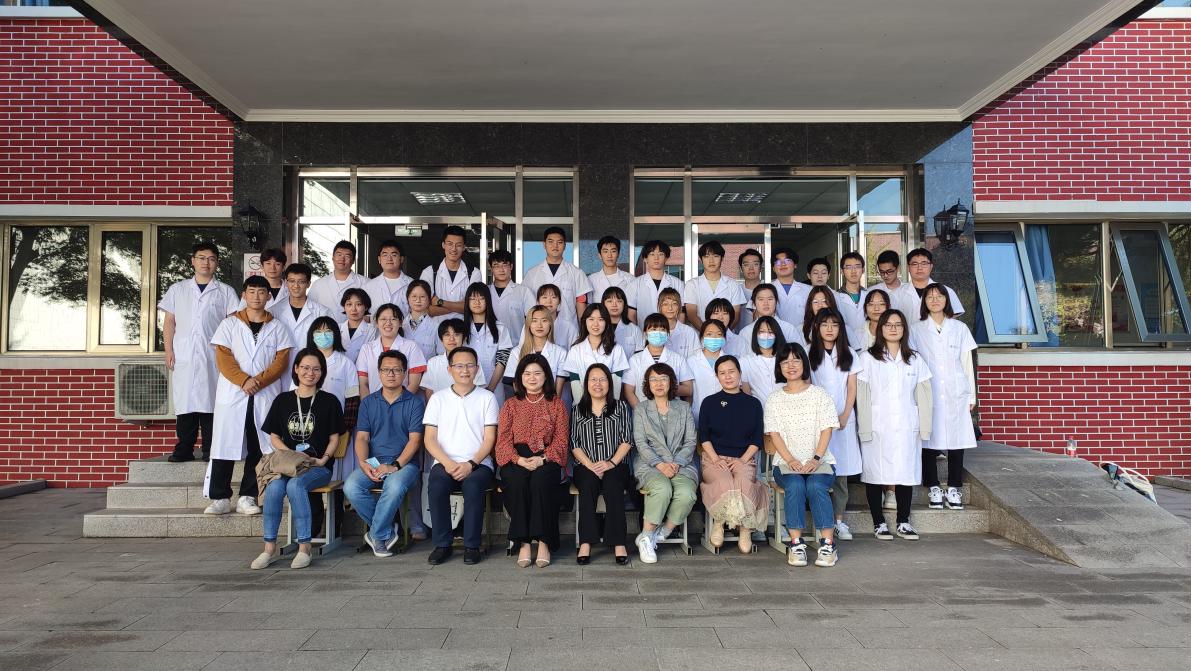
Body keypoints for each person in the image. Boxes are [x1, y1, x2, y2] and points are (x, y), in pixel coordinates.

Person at [203, 275, 292, 516]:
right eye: (251, 292)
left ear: (269, 296)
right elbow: (223, 358)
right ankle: (220, 498)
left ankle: (248, 496)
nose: (256, 296)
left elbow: (281, 361)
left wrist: (258, 381)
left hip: (263, 393)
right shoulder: (229, 324)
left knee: (258, 445)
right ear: (243, 295)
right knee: (224, 444)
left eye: (261, 292)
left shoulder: (277, 326)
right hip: (234, 392)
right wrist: (244, 380)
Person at [251, 348, 343, 570]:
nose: (310, 373)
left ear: (322, 372)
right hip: (289, 465)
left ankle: (304, 547)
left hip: (317, 466)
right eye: (305, 368)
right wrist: (292, 455)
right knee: (274, 488)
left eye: (316, 369)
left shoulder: (329, 401)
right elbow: (274, 437)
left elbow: (335, 438)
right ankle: (269, 548)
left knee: (295, 486)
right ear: (296, 369)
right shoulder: (283, 400)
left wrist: (323, 459)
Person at [857, 309, 933, 541]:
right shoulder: (868, 358)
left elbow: (924, 394)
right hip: (877, 426)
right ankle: (878, 522)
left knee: (905, 472)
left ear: (904, 329)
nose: (893, 328)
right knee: (875, 474)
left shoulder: (915, 359)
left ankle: (903, 521)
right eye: (888, 324)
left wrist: (925, 426)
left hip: (906, 425)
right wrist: (865, 427)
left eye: (898, 324)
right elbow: (862, 395)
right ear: (880, 329)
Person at [160, 242, 239, 462]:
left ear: (217, 263)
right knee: (185, 403)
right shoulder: (177, 289)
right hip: (184, 355)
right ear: (193, 261)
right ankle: (184, 448)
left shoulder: (225, 291)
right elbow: (169, 322)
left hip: (213, 356)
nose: (206, 263)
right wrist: (168, 350)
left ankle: (209, 449)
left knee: (211, 403)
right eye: (201, 258)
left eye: (211, 259)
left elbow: (233, 325)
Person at [344, 350, 426, 558]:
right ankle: (386, 530)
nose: (391, 374)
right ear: (379, 373)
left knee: (394, 485)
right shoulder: (368, 403)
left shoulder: (415, 402)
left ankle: (378, 535)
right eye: (386, 370)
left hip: (404, 464)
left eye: (396, 370)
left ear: (405, 373)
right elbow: (362, 438)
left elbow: (415, 440)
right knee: (351, 487)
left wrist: (395, 466)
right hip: (374, 461)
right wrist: (364, 463)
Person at [765, 343, 841, 567]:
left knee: (816, 486)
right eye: (785, 361)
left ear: (804, 364)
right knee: (796, 485)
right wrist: (790, 459)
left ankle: (828, 545)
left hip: (820, 462)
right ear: (779, 367)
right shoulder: (774, 399)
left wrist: (815, 459)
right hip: (785, 464)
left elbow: (827, 429)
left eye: (795, 360)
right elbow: (774, 434)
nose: (791, 365)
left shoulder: (819, 395)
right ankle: (796, 544)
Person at [422, 347, 499, 565]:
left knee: (473, 486)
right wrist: (448, 463)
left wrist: (470, 464)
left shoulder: (487, 398)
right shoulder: (438, 399)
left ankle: (471, 545)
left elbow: (489, 439)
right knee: (437, 484)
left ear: (477, 368)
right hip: (445, 462)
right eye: (459, 366)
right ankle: (442, 544)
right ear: (449, 369)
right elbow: (430, 439)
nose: (465, 370)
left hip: (479, 463)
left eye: (469, 365)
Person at [495, 354, 569, 568]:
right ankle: (524, 543)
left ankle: (544, 542)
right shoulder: (510, 405)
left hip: (546, 457)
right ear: (520, 377)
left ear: (546, 376)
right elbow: (503, 441)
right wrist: (518, 459)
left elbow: (561, 440)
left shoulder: (556, 404)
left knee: (540, 482)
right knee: (517, 482)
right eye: (527, 374)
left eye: (537, 373)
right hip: (516, 457)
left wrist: (542, 459)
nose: (532, 378)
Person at [910, 283, 977, 511]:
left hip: (956, 392)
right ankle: (934, 487)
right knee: (928, 439)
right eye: (930, 296)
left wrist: (971, 396)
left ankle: (955, 487)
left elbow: (967, 363)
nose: (935, 300)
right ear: (924, 302)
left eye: (939, 296)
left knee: (957, 440)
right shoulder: (916, 330)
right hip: (928, 391)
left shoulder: (960, 328)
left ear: (947, 300)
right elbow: (914, 363)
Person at [698, 355, 768, 553]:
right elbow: (704, 436)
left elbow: (757, 439)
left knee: (744, 483)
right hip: (714, 458)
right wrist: (716, 459)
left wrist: (742, 461)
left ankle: (745, 529)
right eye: (722, 373)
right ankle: (719, 522)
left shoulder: (753, 404)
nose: (727, 376)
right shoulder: (709, 402)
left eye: (731, 372)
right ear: (717, 377)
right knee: (725, 481)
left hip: (744, 459)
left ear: (739, 373)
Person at [632, 362, 698, 564]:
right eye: (653, 379)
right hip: (650, 464)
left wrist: (676, 463)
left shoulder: (683, 408)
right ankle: (646, 536)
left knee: (687, 494)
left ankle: (662, 532)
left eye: (663, 379)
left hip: (681, 463)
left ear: (671, 382)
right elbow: (640, 443)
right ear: (647, 384)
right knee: (662, 488)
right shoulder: (642, 409)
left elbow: (691, 441)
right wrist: (660, 464)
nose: (659, 383)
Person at [571, 363, 633, 565]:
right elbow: (574, 444)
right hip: (585, 466)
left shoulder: (620, 407)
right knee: (588, 485)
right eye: (593, 379)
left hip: (616, 465)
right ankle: (586, 542)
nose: (598, 384)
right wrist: (591, 465)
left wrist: (610, 463)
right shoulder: (577, 409)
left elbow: (627, 440)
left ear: (609, 383)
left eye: (602, 379)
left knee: (612, 485)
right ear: (586, 384)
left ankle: (618, 543)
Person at [808, 309, 862, 541]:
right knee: (819, 473)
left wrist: (846, 414)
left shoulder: (849, 353)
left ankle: (839, 521)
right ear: (816, 327)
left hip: (843, 421)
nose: (829, 329)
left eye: (834, 324)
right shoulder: (809, 353)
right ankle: (821, 522)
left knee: (841, 477)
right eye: (824, 324)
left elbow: (852, 387)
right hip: (817, 422)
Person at [307, 317, 360, 481]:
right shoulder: (305, 361)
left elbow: (352, 399)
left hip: (336, 427)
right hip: (307, 426)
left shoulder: (346, 364)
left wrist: (346, 428)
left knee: (337, 475)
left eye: (328, 331)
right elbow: (294, 395)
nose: (323, 335)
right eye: (318, 331)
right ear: (312, 335)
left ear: (336, 334)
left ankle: (337, 498)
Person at [269, 263, 333, 373]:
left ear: (308, 284)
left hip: (311, 370)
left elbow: (329, 345)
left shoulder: (322, 312)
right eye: (292, 281)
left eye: (301, 282)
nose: (296, 286)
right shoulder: (274, 311)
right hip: (281, 370)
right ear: (286, 282)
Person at [523, 226, 591, 329]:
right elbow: (527, 305)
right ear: (544, 244)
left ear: (565, 245)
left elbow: (581, 304)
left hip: (569, 330)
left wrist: (584, 331)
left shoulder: (577, 273)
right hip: (539, 329)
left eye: (559, 242)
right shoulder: (532, 274)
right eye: (550, 242)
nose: (555, 246)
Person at [562, 303, 630, 403]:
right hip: (582, 405)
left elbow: (616, 384)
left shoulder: (617, 349)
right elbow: (575, 384)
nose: (596, 324)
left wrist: (610, 407)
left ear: (606, 322)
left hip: (610, 406)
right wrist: (584, 408)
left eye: (601, 319)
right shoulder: (575, 350)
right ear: (585, 321)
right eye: (591, 319)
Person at [623, 313, 693, 406]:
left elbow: (689, 390)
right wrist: (640, 412)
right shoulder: (635, 360)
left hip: (673, 411)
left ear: (667, 334)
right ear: (645, 334)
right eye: (654, 329)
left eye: (662, 330)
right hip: (644, 410)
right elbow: (628, 392)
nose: (658, 333)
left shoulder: (678, 359)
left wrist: (667, 387)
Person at [356, 303, 427, 395]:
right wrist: (368, 403)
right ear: (377, 323)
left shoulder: (411, 347)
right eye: (383, 319)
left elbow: (414, 384)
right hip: (373, 402)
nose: (388, 323)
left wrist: (400, 402)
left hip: (403, 401)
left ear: (400, 323)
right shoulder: (366, 349)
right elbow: (363, 384)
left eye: (393, 319)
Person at [462, 283, 513, 403]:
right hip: (466, 388)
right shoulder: (461, 329)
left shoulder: (500, 328)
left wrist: (490, 388)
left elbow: (502, 361)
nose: (477, 302)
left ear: (488, 301)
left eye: (481, 298)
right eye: (472, 299)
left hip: (494, 388)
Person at [422, 225, 483, 320]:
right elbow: (427, 309)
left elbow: (473, 307)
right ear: (443, 245)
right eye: (450, 244)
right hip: (436, 328)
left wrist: (440, 302)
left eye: (458, 245)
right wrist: (461, 306)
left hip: (463, 327)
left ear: (464, 247)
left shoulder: (474, 273)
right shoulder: (429, 272)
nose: (454, 249)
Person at [504, 305, 567, 396]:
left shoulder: (560, 353)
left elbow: (557, 393)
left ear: (550, 324)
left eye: (544, 320)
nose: (539, 325)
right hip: (524, 402)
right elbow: (516, 387)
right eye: (534, 321)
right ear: (528, 325)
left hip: (550, 402)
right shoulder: (516, 352)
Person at [685, 240, 747, 330]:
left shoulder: (733, 285)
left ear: (722, 258)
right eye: (706, 256)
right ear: (701, 260)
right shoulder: (692, 285)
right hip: (700, 335)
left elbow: (736, 315)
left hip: (726, 336)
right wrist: (707, 333)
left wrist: (722, 334)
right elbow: (692, 315)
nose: (711, 261)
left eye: (716, 256)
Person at [891, 248, 965, 322]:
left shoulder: (947, 291)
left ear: (931, 266)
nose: (919, 268)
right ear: (908, 268)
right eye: (914, 264)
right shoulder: (896, 294)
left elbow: (952, 322)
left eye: (924, 264)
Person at [729, 284, 801, 357]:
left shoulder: (789, 329)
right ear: (754, 303)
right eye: (761, 299)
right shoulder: (745, 332)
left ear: (776, 301)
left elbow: (799, 356)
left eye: (770, 299)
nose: (766, 303)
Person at [422, 318, 488, 396]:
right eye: (447, 335)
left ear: (464, 338)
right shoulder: (432, 363)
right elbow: (429, 391)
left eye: (456, 334)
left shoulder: (473, 361)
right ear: (441, 339)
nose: (452, 339)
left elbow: (479, 389)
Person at [627, 240, 684, 327]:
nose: (656, 258)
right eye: (652, 254)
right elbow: (631, 315)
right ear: (645, 258)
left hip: (673, 334)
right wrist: (636, 334)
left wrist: (678, 332)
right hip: (643, 333)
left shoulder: (678, 284)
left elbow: (681, 313)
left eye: (660, 254)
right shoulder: (634, 285)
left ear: (666, 258)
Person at [308, 240, 367, 323]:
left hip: (357, 330)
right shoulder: (318, 284)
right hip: (325, 330)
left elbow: (374, 311)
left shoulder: (366, 283)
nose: (342, 259)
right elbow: (309, 310)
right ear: (333, 257)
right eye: (339, 254)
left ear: (353, 260)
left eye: (347, 256)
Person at [488, 250, 535, 341]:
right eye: (496, 265)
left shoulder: (523, 292)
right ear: (491, 268)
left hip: (516, 344)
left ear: (511, 266)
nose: (501, 269)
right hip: (490, 344)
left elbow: (533, 319)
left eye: (505, 265)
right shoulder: (485, 291)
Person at [687, 318, 727, 424]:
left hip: (725, 414)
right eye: (709, 334)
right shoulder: (691, 361)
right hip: (698, 414)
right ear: (702, 337)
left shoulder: (730, 361)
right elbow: (688, 393)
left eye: (719, 334)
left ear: (724, 338)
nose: (714, 338)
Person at [739, 315, 786, 406]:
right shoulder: (745, 361)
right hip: (760, 411)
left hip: (786, 410)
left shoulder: (785, 358)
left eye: (770, 332)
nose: (766, 336)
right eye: (762, 332)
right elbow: (747, 394)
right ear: (755, 334)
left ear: (777, 335)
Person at [363, 238, 412, 317]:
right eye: (385, 255)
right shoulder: (368, 286)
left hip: (404, 325)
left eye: (394, 255)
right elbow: (365, 314)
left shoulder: (412, 284)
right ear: (379, 259)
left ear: (401, 259)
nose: (389, 259)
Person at [588, 235, 634, 304]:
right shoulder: (591, 280)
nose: (609, 255)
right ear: (600, 255)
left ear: (618, 254)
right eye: (605, 251)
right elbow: (589, 306)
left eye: (613, 251)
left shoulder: (630, 279)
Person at [402, 279, 441, 361]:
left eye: (422, 297)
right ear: (408, 298)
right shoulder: (399, 324)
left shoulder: (436, 327)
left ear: (429, 299)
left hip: (427, 368)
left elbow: (441, 355)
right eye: (414, 296)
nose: (418, 300)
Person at [772, 247, 810, 329]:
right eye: (778, 262)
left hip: (802, 335)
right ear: (773, 268)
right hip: (774, 334)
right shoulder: (765, 290)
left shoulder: (809, 290)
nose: (783, 264)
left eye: (787, 260)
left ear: (795, 265)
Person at [837, 252, 869, 348]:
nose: (853, 271)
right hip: (844, 345)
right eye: (849, 267)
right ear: (842, 271)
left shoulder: (869, 295)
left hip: (868, 344)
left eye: (857, 267)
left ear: (863, 270)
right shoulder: (835, 296)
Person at [338, 288, 377, 365]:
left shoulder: (373, 331)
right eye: (349, 304)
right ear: (344, 307)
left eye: (359, 304)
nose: (353, 309)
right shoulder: (336, 328)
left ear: (366, 307)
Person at [658, 287, 699, 357]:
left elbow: (696, 358)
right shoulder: (653, 332)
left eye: (674, 304)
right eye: (665, 304)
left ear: (679, 306)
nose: (670, 308)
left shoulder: (689, 332)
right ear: (660, 307)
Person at [602, 286, 644, 355]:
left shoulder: (634, 329)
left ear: (624, 304)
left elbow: (640, 357)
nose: (614, 305)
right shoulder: (598, 328)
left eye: (619, 301)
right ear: (603, 304)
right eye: (610, 301)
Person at [536, 283, 576, 349]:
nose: (549, 301)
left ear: (559, 301)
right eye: (544, 297)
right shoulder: (530, 324)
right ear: (538, 301)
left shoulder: (569, 327)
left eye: (553, 297)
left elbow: (574, 352)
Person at [737, 248, 764, 330]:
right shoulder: (736, 291)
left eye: (755, 264)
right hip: (739, 336)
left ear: (761, 268)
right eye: (746, 264)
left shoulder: (769, 291)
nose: (751, 268)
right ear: (741, 269)